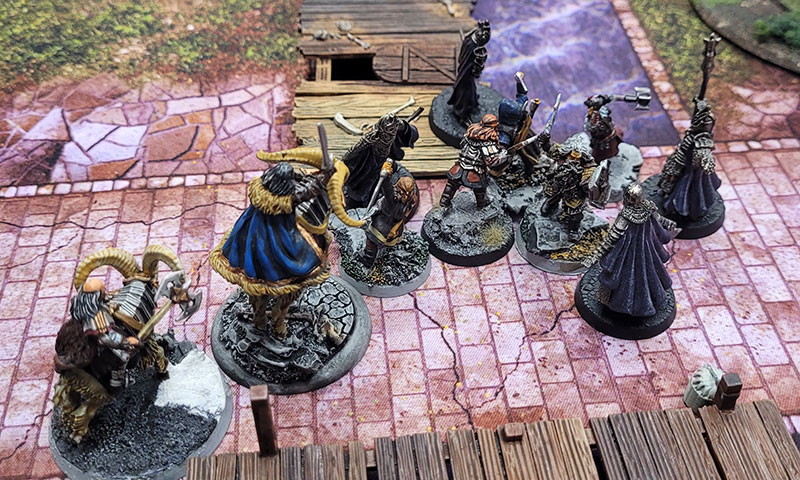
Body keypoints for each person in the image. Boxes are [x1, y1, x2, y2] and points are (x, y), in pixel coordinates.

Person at [211, 162, 333, 337]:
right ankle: (275, 321)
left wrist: (312, 175)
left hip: (251, 237)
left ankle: (263, 319)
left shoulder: (261, 188)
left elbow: (302, 188)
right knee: (293, 275)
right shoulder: (284, 201)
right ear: (285, 185)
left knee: (258, 288)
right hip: (277, 243)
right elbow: (306, 192)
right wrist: (323, 177)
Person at [582, 183, 678, 316]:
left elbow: (612, 237)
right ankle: (648, 300)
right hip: (646, 251)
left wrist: (595, 255)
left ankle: (621, 303)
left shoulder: (626, 215)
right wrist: (668, 223)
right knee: (648, 274)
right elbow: (659, 219)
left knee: (621, 276)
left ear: (628, 199)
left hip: (627, 253)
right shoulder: (648, 207)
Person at [658, 98, 720, 220]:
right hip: (679, 158)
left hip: (688, 168)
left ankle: (678, 208)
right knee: (668, 178)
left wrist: (705, 159)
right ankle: (665, 195)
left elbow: (705, 153)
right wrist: (699, 102)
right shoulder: (693, 132)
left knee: (684, 188)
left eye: (704, 123)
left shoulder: (703, 140)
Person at [342, 113, 418, 209]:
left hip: (382, 162)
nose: (387, 136)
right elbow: (354, 151)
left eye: (390, 133)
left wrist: (403, 126)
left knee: (376, 182)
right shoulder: (371, 138)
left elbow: (411, 133)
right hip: (368, 162)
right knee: (361, 188)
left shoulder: (394, 134)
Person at [440, 113, 505, 209]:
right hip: (474, 171)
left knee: (451, 185)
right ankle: (481, 206)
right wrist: (502, 156)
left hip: (458, 167)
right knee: (480, 189)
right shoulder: (487, 144)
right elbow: (490, 162)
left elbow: (462, 146)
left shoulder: (468, 137)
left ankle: (444, 203)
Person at [361, 161, 418, 267]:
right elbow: (405, 216)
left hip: (381, 226)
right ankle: (387, 256)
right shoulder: (412, 200)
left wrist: (387, 174)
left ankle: (368, 260)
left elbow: (386, 187)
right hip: (397, 227)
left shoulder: (392, 198)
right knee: (389, 243)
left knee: (371, 242)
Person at [448, 20, 491, 124]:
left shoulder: (469, 40)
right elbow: (476, 67)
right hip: (466, 74)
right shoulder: (473, 46)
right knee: (466, 93)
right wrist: (477, 70)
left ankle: (472, 104)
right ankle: (463, 115)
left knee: (470, 90)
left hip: (467, 73)